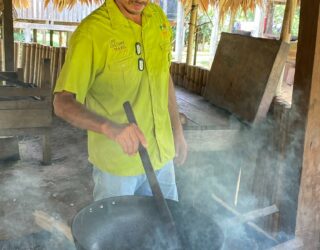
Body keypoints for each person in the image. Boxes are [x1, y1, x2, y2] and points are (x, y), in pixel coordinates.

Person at [53, 0, 187, 202]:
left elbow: (163, 75)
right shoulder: (92, 32)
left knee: (167, 230)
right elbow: (62, 103)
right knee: (116, 232)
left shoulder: (157, 18)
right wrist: (110, 127)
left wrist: (177, 130)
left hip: (161, 157)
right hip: (117, 168)